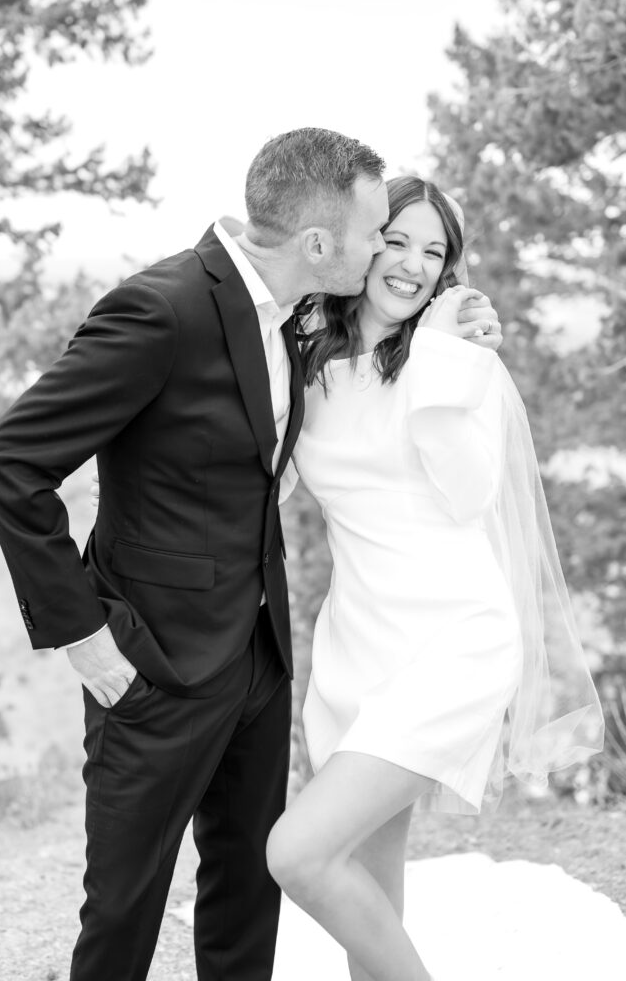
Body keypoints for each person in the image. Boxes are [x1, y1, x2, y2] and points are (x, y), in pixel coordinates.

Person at [0, 127, 498, 981]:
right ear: (319, 243)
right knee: (125, 905)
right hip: (151, 662)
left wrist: (451, 330)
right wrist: (84, 639)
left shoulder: (299, 323)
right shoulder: (161, 309)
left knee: (245, 895)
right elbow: (12, 461)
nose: (381, 251)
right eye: (376, 233)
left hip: (260, 660)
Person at [265, 176, 604, 981]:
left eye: (434, 251)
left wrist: (440, 365)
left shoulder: (459, 364)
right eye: (397, 240)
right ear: (361, 242)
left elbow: (468, 493)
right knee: (366, 894)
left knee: (297, 854)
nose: (413, 265)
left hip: (453, 641)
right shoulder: (305, 360)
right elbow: (268, 479)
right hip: (354, 650)